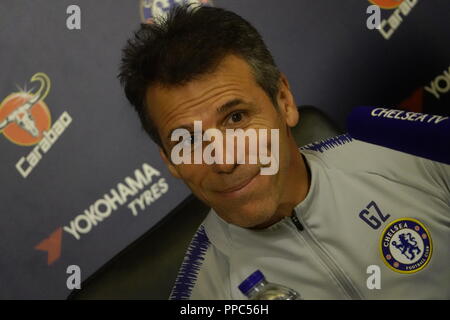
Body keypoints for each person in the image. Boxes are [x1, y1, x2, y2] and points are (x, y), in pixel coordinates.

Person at [118, 5, 450, 299]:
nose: (224, 160)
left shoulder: (413, 158)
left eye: (236, 118)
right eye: (188, 142)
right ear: (170, 162)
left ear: (284, 102)